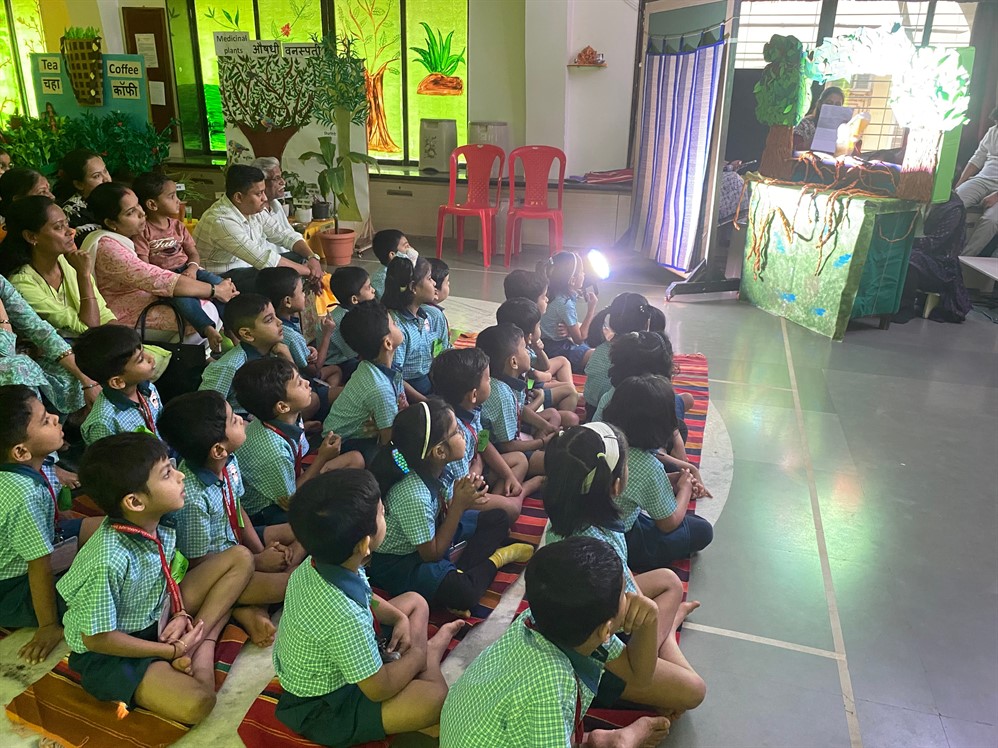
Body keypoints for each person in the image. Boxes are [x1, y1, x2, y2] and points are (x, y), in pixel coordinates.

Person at [57, 433, 255, 724]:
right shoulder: (107, 559)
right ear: (135, 502)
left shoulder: (156, 520)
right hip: (114, 649)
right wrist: (170, 650)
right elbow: (97, 639)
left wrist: (181, 613)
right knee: (198, 703)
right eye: (167, 474)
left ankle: (198, 636)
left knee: (241, 557)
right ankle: (204, 641)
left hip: (157, 613)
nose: (180, 476)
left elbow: (169, 574)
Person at [273, 469, 465, 746]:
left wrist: (398, 618)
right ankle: (430, 657)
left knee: (415, 602)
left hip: (343, 655)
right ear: (364, 544)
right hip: (326, 704)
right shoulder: (343, 616)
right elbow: (379, 688)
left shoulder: (319, 562)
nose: (385, 513)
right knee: (434, 699)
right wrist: (419, 654)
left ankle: (417, 661)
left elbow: (366, 596)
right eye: (383, 513)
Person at [439, 537, 673, 748]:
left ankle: (593, 740)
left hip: (471, 726)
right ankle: (621, 741)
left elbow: (640, 677)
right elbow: (640, 678)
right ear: (606, 629)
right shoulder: (550, 687)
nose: (630, 597)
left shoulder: (539, 617)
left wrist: (649, 622)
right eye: (623, 593)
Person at [542, 424, 706, 719]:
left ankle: (658, 641)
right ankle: (664, 637)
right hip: (591, 653)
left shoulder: (573, 518)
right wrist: (650, 622)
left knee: (669, 581)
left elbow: (624, 577)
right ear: (616, 486)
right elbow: (614, 627)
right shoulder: (594, 548)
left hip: (598, 613)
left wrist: (641, 606)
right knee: (694, 690)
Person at [158, 390, 307, 647]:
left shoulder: (229, 462)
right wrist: (258, 561)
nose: (240, 418)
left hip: (237, 541)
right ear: (217, 449)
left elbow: (237, 510)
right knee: (289, 584)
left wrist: (261, 553)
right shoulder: (193, 499)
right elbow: (197, 561)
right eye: (232, 419)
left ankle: (248, 608)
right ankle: (246, 607)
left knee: (305, 526)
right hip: (220, 569)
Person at [368, 399, 534, 613]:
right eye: (456, 431)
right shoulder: (413, 494)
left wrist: (469, 496)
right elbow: (431, 555)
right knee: (465, 593)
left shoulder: (437, 468)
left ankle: (459, 572)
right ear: (439, 451)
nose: (463, 434)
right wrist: (459, 506)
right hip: (402, 561)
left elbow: (447, 505)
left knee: (498, 517)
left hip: (435, 529)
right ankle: (497, 559)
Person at [83, 183, 237, 346]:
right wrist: (215, 290)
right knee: (205, 310)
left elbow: (189, 256)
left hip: (153, 293)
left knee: (209, 298)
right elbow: (157, 278)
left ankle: (224, 339)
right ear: (111, 223)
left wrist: (207, 281)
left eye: (138, 205)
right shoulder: (108, 248)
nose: (142, 213)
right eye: (131, 212)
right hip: (125, 314)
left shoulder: (132, 235)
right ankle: (180, 356)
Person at [0, 386, 83, 664]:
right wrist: (48, 625)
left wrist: (58, 517)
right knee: (90, 598)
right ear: (21, 451)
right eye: (46, 420)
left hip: (47, 537)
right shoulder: (21, 495)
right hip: (11, 587)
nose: (56, 418)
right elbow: (38, 565)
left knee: (106, 529)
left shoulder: (39, 460)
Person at [232, 357, 362, 526]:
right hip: (270, 510)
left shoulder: (287, 417)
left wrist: (304, 429)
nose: (307, 383)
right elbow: (289, 501)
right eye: (299, 383)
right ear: (282, 406)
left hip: (292, 477)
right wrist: (322, 458)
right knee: (330, 514)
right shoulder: (274, 453)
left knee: (355, 459)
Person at [603, 375, 713, 570]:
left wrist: (672, 480)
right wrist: (685, 488)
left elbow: (631, 485)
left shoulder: (603, 439)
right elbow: (668, 523)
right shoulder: (647, 465)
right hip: (620, 541)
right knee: (702, 529)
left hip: (595, 522)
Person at [431, 347, 543, 521]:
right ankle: (521, 493)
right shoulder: (455, 433)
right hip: (458, 496)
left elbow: (483, 444)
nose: (491, 382)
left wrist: (508, 475)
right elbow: (461, 487)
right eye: (488, 379)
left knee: (519, 460)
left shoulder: (470, 409)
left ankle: (496, 501)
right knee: (512, 509)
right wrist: (478, 467)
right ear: (474, 395)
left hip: (474, 469)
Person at [131, 172, 229, 352]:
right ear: (152, 204)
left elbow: (193, 253)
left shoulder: (178, 226)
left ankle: (231, 328)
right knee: (185, 300)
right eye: (171, 196)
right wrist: (172, 280)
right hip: (167, 279)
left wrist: (192, 269)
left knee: (221, 284)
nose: (178, 200)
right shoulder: (144, 232)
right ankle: (207, 329)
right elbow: (145, 267)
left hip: (188, 269)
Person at [193, 164, 322, 293]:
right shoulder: (221, 221)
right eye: (259, 193)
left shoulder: (253, 209)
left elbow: (284, 235)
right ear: (238, 197)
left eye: (264, 192)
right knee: (281, 277)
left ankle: (301, 296)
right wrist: (311, 271)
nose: (264, 198)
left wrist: (312, 258)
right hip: (222, 278)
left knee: (300, 257)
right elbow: (263, 259)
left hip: (249, 267)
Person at [1, 195, 116, 336]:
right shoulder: (21, 284)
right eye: (58, 227)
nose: (70, 231)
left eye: (67, 223)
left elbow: (105, 316)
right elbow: (88, 329)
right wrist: (83, 276)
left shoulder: (68, 261)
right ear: (31, 237)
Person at [199, 293, 313, 417]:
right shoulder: (230, 366)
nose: (279, 322)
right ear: (247, 334)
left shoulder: (277, 348)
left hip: (272, 413)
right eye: (269, 320)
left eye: (275, 315)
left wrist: (287, 357)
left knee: (312, 400)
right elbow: (207, 410)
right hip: (245, 422)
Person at [0, 274, 99, 415]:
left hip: (15, 356)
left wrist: (86, 380)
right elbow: (6, 356)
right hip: (10, 364)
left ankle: (62, 424)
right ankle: (37, 424)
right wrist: (3, 320)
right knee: (17, 368)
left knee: (70, 367)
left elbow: (37, 328)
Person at [322, 300, 407, 462]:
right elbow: (388, 441)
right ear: (388, 343)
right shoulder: (380, 388)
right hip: (342, 444)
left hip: (350, 433)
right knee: (393, 458)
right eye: (394, 324)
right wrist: (404, 466)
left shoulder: (372, 367)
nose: (397, 324)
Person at [477, 323, 562, 478]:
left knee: (553, 417)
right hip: (503, 454)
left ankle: (539, 449)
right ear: (514, 362)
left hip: (513, 436)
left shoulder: (508, 380)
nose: (529, 352)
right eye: (524, 348)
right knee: (558, 462)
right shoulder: (501, 395)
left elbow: (520, 409)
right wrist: (542, 442)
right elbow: (507, 446)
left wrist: (546, 426)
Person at [591, 331, 693, 456]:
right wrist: (677, 460)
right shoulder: (651, 400)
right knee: (680, 426)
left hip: (618, 446)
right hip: (630, 451)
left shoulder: (614, 394)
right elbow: (641, 449)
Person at [257, 266, 341, 396]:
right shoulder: (291, 336)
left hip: (283, 379)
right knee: (336, 371)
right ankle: (321, 396)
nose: (304, 295)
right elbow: (315, 370)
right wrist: (327, 334)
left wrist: (307, 349)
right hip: (300, 381)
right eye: (302, 291)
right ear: (287, 301)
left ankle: (325, 391)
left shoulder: (273, 326)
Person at [73, 325, 163, 445]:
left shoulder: (147, 388)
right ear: (118, 382)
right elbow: (107, 456)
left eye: (143, 351)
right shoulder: (103, 422)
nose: (151, 358)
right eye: (140, 359)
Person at [895, 191, 973, 323]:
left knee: (911, 259)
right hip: (916, 249)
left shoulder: (953, 208)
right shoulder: (911, 197)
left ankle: (905, 308)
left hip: (941, 264)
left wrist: (903, 242)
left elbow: (933, 242)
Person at [496, 297, 579, 418]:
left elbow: (543, 367)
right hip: (530, 399)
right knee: (570, 416)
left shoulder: (517, 349)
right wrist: (541, 395)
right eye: (539, 326)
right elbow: (534, 377)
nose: (547, 299)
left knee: (564, 371)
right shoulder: (520, 357)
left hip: (530, 392)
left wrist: (539, 350)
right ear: (530, 336)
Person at [382, 256, 448, 399]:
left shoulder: (427, 316)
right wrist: (425, 401)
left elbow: (440, 349)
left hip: (429, 379)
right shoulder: (397, 327)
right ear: (413, 287)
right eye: (429, 278)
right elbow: (395, 377)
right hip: (411, 391)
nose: (434, 283)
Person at [583, 293, 653, 420]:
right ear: (645, 323)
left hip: (591, 410)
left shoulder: (600, 349)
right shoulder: (639, 357)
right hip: (614, 415)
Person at [539, 252, 597, 373]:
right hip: (557, 349)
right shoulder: (565, 303)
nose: (584, 274)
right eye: (581, 272)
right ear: (572, 280)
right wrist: (591, 310)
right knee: (595, 354)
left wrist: (570, 331)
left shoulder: (550, 291)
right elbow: (579, 339)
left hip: (545, 342)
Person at [955, 107, 998, 257]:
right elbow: (977, 158)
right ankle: (941, 248)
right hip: (982, 179)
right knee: (954, 202)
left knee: (991, 220)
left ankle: (963, 259)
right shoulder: (993, 131)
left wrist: (996, 196)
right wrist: (960, 183)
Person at [325, 265, 376, 379]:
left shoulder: (355, 311)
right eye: (368, 288)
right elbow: (352, 352)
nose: (373, 290)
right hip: (337, 363)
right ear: (354, 299)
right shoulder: (341, 321)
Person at [53, 149, 111, 248]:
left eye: (105, 171)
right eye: (96, 176)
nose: (106, 179)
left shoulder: (109, 196)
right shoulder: (73, 213)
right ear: (79, 184)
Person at [250, 156, 298, 238]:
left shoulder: (276, 204)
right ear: (261, 182)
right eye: (277, 178)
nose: (283, 182)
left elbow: (290, 233)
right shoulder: (255, 211)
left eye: (281, 177)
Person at [793, 86, 845, 152]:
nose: (833, 108)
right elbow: (794, 148)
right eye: (829, 103)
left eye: (837, 105)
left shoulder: (842, 129)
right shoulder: (805, 124)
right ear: (820, 105)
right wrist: (815, 140)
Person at [371, 229, 418, 299]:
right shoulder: (381, 279)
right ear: (393, 255)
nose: (411, 249)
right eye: (406, 246)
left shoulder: (404, 270)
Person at [427, 257, 451, 343]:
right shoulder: (436, 315)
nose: (449, 283)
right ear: (435, 292)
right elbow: (441, 344)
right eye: (447, 282)